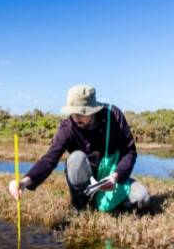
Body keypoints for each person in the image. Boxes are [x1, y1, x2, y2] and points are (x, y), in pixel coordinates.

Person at [8, 84, 150, 212]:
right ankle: (79, 203)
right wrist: (24, 182)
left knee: (142, 198)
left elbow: (129, 152)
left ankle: (104, 201)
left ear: (93, 110)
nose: (76, 117)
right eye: (72, 112)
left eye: (81, 113)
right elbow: (49, 159)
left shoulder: (114, 116)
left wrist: (116, 176)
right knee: (76, 158)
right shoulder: (67, 127)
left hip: (111, 176)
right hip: (84, 178)